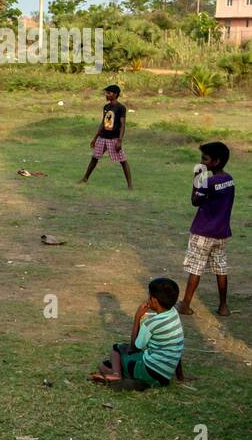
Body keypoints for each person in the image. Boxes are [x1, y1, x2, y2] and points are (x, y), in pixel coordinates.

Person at [91, 278, 185, 390]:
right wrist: (180, 376)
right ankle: (134, 381)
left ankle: (118, 377)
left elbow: (134, 347)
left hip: (149, 370)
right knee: (112, 363)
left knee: (115, 350)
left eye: (149, 296)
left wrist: (137, 317)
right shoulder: (174, 314)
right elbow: (176, 347)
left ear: (154, 301)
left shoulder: (151, 323)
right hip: (165, 377)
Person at [179, 141, 234, 316]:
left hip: (203, 232)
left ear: (216, 162)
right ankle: (223, 306)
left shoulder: (208, 182)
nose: (202, 162)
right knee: (221, 268)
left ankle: (186, 304)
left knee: (196, 268)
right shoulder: (229, 180)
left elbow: (195, 201)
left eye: (205, 158)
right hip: (221, 233)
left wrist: (198, 177)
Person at [79, 84, 132, 189]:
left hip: (114, 139)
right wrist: (95, 138)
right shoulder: (106, 107)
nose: (106, 95)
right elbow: (103, 123)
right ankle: (85, 178)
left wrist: (120, 141)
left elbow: (122, 125)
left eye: (109, 93)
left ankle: (130, 185)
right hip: (103, 137)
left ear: (115, 94)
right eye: (106, 93)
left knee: (123, 161)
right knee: (94, 158)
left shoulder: (121, 108)